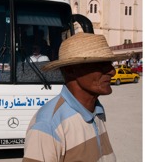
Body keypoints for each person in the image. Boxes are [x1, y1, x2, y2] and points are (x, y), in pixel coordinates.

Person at [23, 32, 128, 162]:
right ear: (70, 70)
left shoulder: (96, 109)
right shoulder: (48, 126)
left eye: (109, 63)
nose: (112, 71)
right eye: (100, 64)